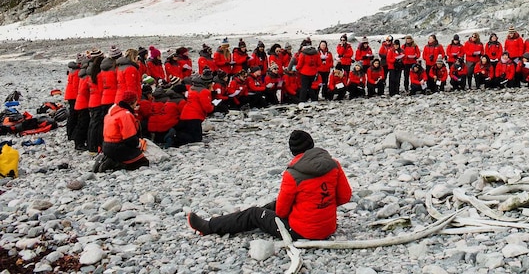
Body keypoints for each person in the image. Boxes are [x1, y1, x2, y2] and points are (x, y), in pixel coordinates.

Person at [188, 130, 351, 240]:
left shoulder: (293, 174)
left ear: (293, 151)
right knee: (271, 206)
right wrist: (321, 204)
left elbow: (281, 212)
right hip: (328, 227)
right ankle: (254, 217)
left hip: (301, 232)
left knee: (253, 213)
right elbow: (344, 197)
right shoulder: (333, 164)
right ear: (312, 145)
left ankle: (209, 226)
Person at [101, 91, 149, 171]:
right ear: (133, 102)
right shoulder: (125, 115)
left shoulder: (112, 112)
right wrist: (139, 144)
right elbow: (129, 138)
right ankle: (115, 164)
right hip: (118, 147)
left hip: (106, 145)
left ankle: (111, 159)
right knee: (143, 162)